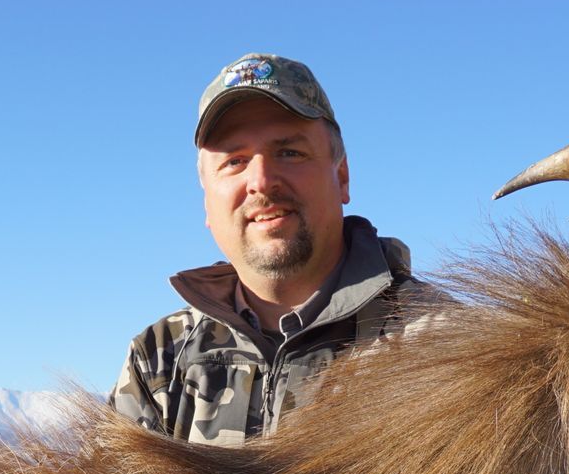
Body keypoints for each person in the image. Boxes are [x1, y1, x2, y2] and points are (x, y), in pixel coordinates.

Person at [109, 52, 445, 445]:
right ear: (206, 203)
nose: (262, 181)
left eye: (289, 153)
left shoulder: (441, 343)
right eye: (234, 161)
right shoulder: (158, 359)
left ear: (342, 176)